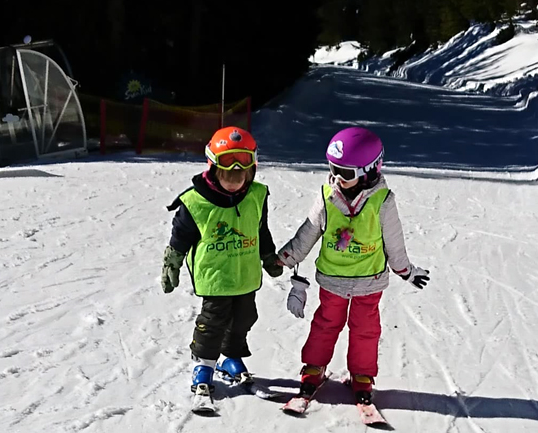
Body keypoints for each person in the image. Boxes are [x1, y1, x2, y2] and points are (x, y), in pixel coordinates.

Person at [277, 127, 430, 405]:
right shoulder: (327, 196)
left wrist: (405, 270)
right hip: (333, 278)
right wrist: (286, 258)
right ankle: (313, 367)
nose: (337, 178)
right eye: (333, 169)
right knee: (325, 324)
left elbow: (394, 242)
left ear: (370, 171)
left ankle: (362, 374)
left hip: (369, 281)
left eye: (345, 173)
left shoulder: (383, 202)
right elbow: (308, 232)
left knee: (365, 329)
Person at [162, 126, 283, 397]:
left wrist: (268, 257)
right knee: (212, 323)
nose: (234, 182)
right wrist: (172, 262)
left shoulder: (256, 195)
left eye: (241, 176)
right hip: (215, 277)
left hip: (245, 275)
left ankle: (229, 358)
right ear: (213, 168)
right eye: (227, 176)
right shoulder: (195, 202)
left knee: (244, 318)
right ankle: (204, 366)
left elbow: (260, 230)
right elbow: (180, 236)